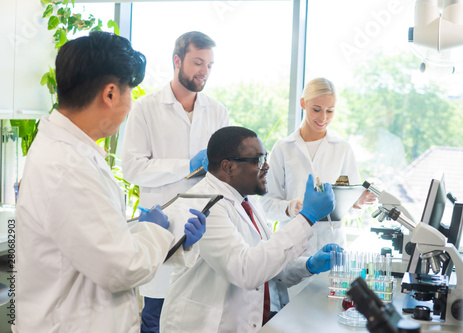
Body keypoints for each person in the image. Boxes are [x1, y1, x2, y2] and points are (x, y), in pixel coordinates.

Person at [14, 31, 207, 332]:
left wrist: (169, 238)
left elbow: (94, 240)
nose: (130, 102)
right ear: (110, 94)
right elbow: (121, 267)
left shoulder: (70, 151)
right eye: (129, 91)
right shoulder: (69, 166)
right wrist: (155, 231)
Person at [159, 126, 341, 333]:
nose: (267, 167)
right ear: (229, 167)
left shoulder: (247, 199)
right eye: (259, 160)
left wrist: (307, 266)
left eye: (266, 158)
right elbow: (246, 271)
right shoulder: (204, 205)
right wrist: (307, 218)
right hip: (204, 325)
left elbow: (266, 264)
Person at [122, 31, 230, 332]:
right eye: (198, 62)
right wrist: (186, 166)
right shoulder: (146, 108)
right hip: (162, 234)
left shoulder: (218, 112)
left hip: (204, 234)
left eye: (209, 65)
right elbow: (131, 167)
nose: (204, 71)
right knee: (156, 318)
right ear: (177, 60)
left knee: (200, 320)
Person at [261, 77, 377, 254]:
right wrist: (294, 207)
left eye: (330, 111)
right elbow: (267, 205)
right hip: (291, 247)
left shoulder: (343, 149)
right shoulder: (283, 148)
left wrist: (359, 202)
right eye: (316, 109)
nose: (323, 118)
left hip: (330, 245)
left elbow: (350, 208)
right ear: (303, 103)